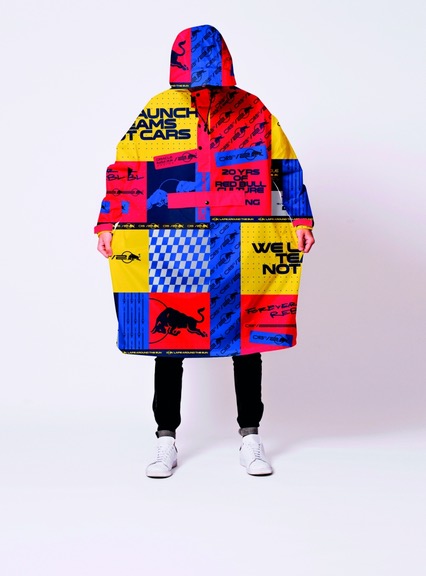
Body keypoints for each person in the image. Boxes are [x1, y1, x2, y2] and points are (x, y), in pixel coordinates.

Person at [95, 25, 315, 478]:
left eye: (210, 79)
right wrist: (107, 221)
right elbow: (126, 167)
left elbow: (285, 165)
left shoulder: (253, 109)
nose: (201, 89)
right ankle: (166, 439)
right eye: (193, 80)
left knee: (247, 336)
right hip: (171, 243)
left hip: (241, 242)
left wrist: (301, 218)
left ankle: (250, 437)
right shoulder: (159, 109)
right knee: (167, 340)